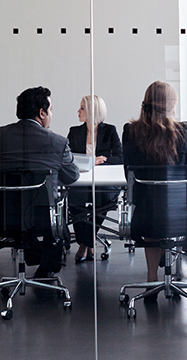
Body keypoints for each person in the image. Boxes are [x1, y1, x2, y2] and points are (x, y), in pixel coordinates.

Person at [0, 86, 80, 279]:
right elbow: (71, 176)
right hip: (42, 221)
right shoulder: (57, 142)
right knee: (52, 210)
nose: (51, 114)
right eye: (51, 110)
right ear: (41, 113)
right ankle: (45, 270)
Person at [122, 81, 187, 287]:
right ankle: (169, 267)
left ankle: (152, 276)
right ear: (171, 104)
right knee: (166, 214)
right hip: (178, 212)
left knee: (153, 218)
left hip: (144, 212)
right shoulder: (183, 131)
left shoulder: (131, 131)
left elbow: (129, 173)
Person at [66, 95, 123, 263]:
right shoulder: (74, 132)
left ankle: (84, 244)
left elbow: (120, 157)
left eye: (82, 108)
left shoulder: (110, 131)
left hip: (104, 181)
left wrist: (101, 160)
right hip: (81, 180)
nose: (78, 111)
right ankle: (89, 242)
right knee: (74, 199)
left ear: (92, 111)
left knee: (102, 197)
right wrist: (89, 161)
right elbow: (67, 158)